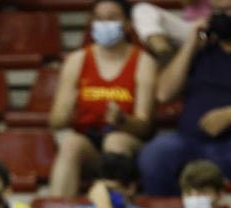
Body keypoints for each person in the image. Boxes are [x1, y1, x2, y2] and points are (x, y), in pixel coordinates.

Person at [137, 0, 231, 208]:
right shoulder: (201, 51)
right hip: (190, 142)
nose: (221, 16)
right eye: (216, 11)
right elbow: (163, 93)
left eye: (228, 11)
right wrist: (190, 45)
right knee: (156, 152)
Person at [48, 0, 157, 197]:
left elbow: (145, 125)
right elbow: (56, 121)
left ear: (127, 24)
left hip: (129, 143)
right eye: (98, 18)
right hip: (90, 142)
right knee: (70, 143)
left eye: (112, 18)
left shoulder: (143, 62)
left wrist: (124, 120)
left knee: (115, 141)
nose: (104, 23)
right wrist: (67, 111)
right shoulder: (77, 60)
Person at [131, 0, 215, 64]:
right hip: (190, 31)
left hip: (209, 31)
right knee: (142, 9)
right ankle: (164, 52)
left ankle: (170, 59)